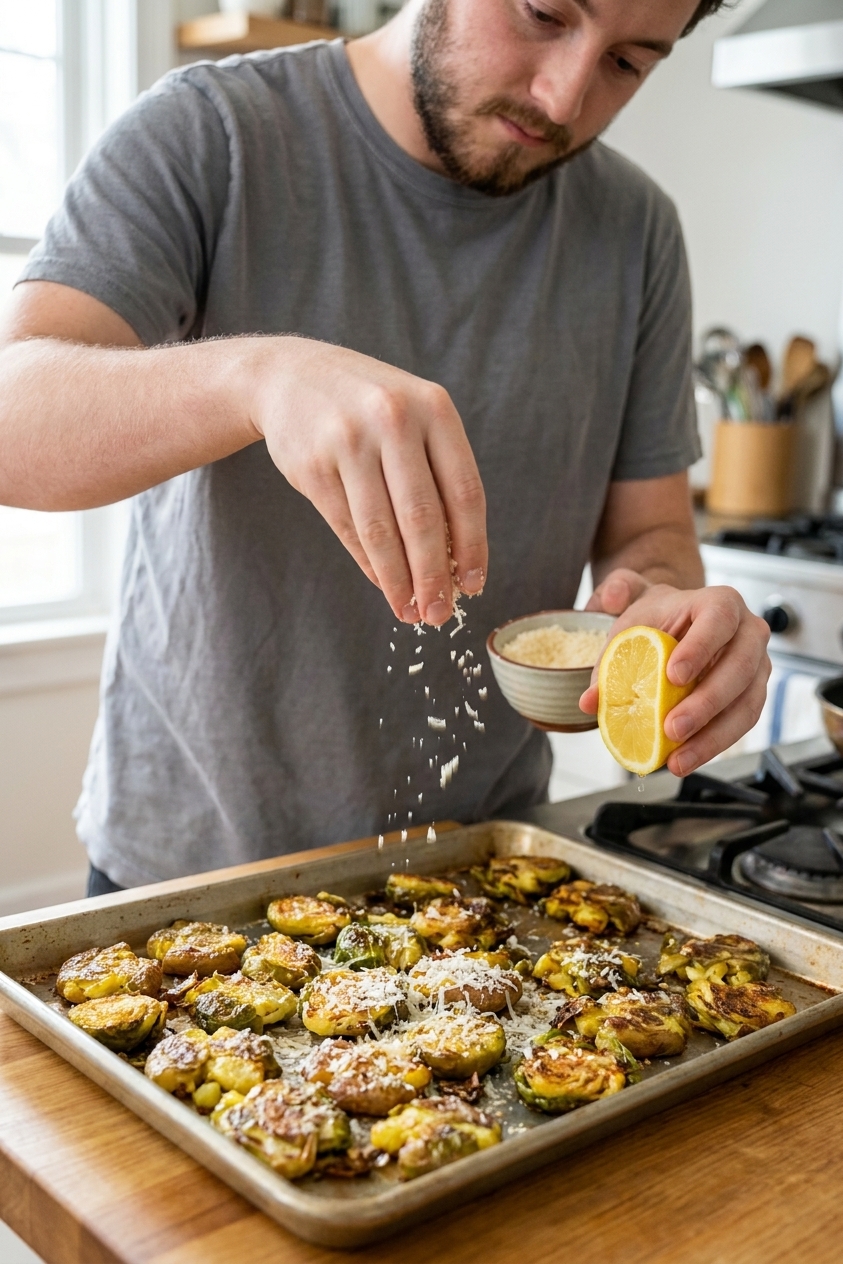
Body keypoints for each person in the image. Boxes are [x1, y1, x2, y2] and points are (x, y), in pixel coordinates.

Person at [0, 0, 770, 895]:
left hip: (478, 875)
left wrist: (671, 618)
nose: (564, 98)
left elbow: (653, 535)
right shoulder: (212, 133)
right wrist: (256, 377)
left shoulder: (636, 232)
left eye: (629, 64)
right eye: (544, 13)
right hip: (186, 884)